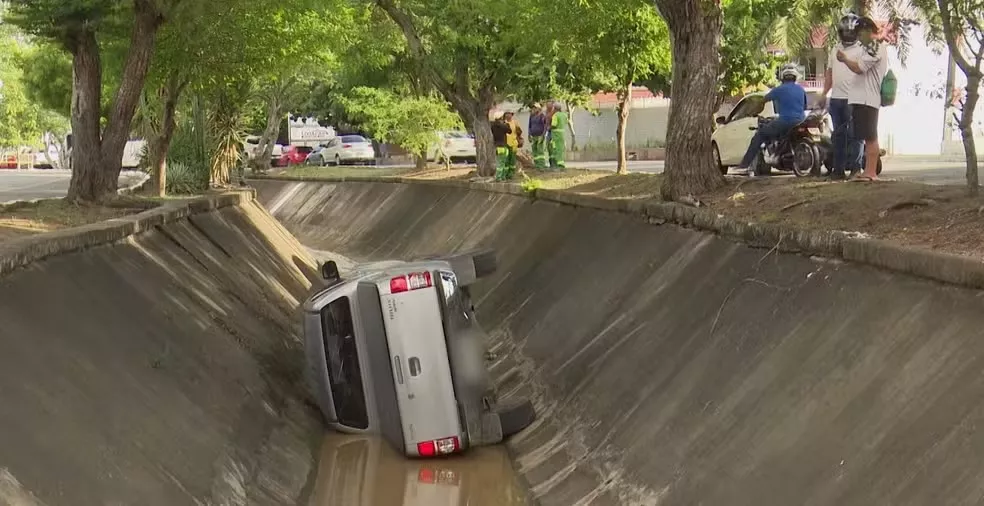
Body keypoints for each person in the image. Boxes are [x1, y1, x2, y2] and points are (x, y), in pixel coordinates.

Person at [838, 15, 888, 181]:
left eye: (860, 35)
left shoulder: (875, 46)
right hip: (862, 99)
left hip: (868, 99)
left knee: (871, 137)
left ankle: (871, 172)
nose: (858, 39)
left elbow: (859, 68)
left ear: (868, 31)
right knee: (867, 136)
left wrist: (845, 59)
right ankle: (868, 171)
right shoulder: (869, 48)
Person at [738, 63, 807, 176]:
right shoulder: (801, 89)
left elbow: (763, 101)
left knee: (760, 135)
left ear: (783, 78)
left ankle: (744, 165)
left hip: (784, 121)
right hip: (801, 120)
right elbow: (804, 107)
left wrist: (753, 112)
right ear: (795, 78)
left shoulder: (779, 90)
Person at [820, 14, 865, 180]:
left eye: (850, 32)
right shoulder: (834, 49)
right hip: (836, 99)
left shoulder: (862, 50)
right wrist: (824, 94)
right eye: (844, 32)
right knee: (838, 136)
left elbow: (861, 70)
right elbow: (829, 74)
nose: (847, 35)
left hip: (854, 98)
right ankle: (838, 171)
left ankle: (856, 169)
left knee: (855, 135)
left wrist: (845, 59)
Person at [491, 111, 514, 181]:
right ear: (500, 118)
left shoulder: (492, 126)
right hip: (503, 146)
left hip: (497, 146)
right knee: (501, 163)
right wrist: (506, 124)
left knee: (500, 161)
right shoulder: (502, 126)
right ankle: (499, 177)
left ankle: (502, 176)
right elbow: (509, 131)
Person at [548, 103, 568, 169]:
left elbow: (554, 125)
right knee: (560, 149)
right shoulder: (564, 115)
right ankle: (561, 164)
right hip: (562, 134)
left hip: (556, 135)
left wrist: (549, 128)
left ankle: (559, 165)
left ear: (555, 108)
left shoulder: (555, 115)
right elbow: (566, 122)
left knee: (556, 149)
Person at [528, 104, 549, 169]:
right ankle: (536, 164)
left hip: (540, 135)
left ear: (539, 109)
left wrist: (543, 134)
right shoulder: (531, 116)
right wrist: (529, 134)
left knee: (540, 149)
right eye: (533, 108)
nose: (533, 109)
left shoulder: (542, 116)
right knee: (534, 149)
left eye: (535, 108)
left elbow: (545, 125)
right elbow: (529, 125)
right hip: (533, 135)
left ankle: (542, 164)